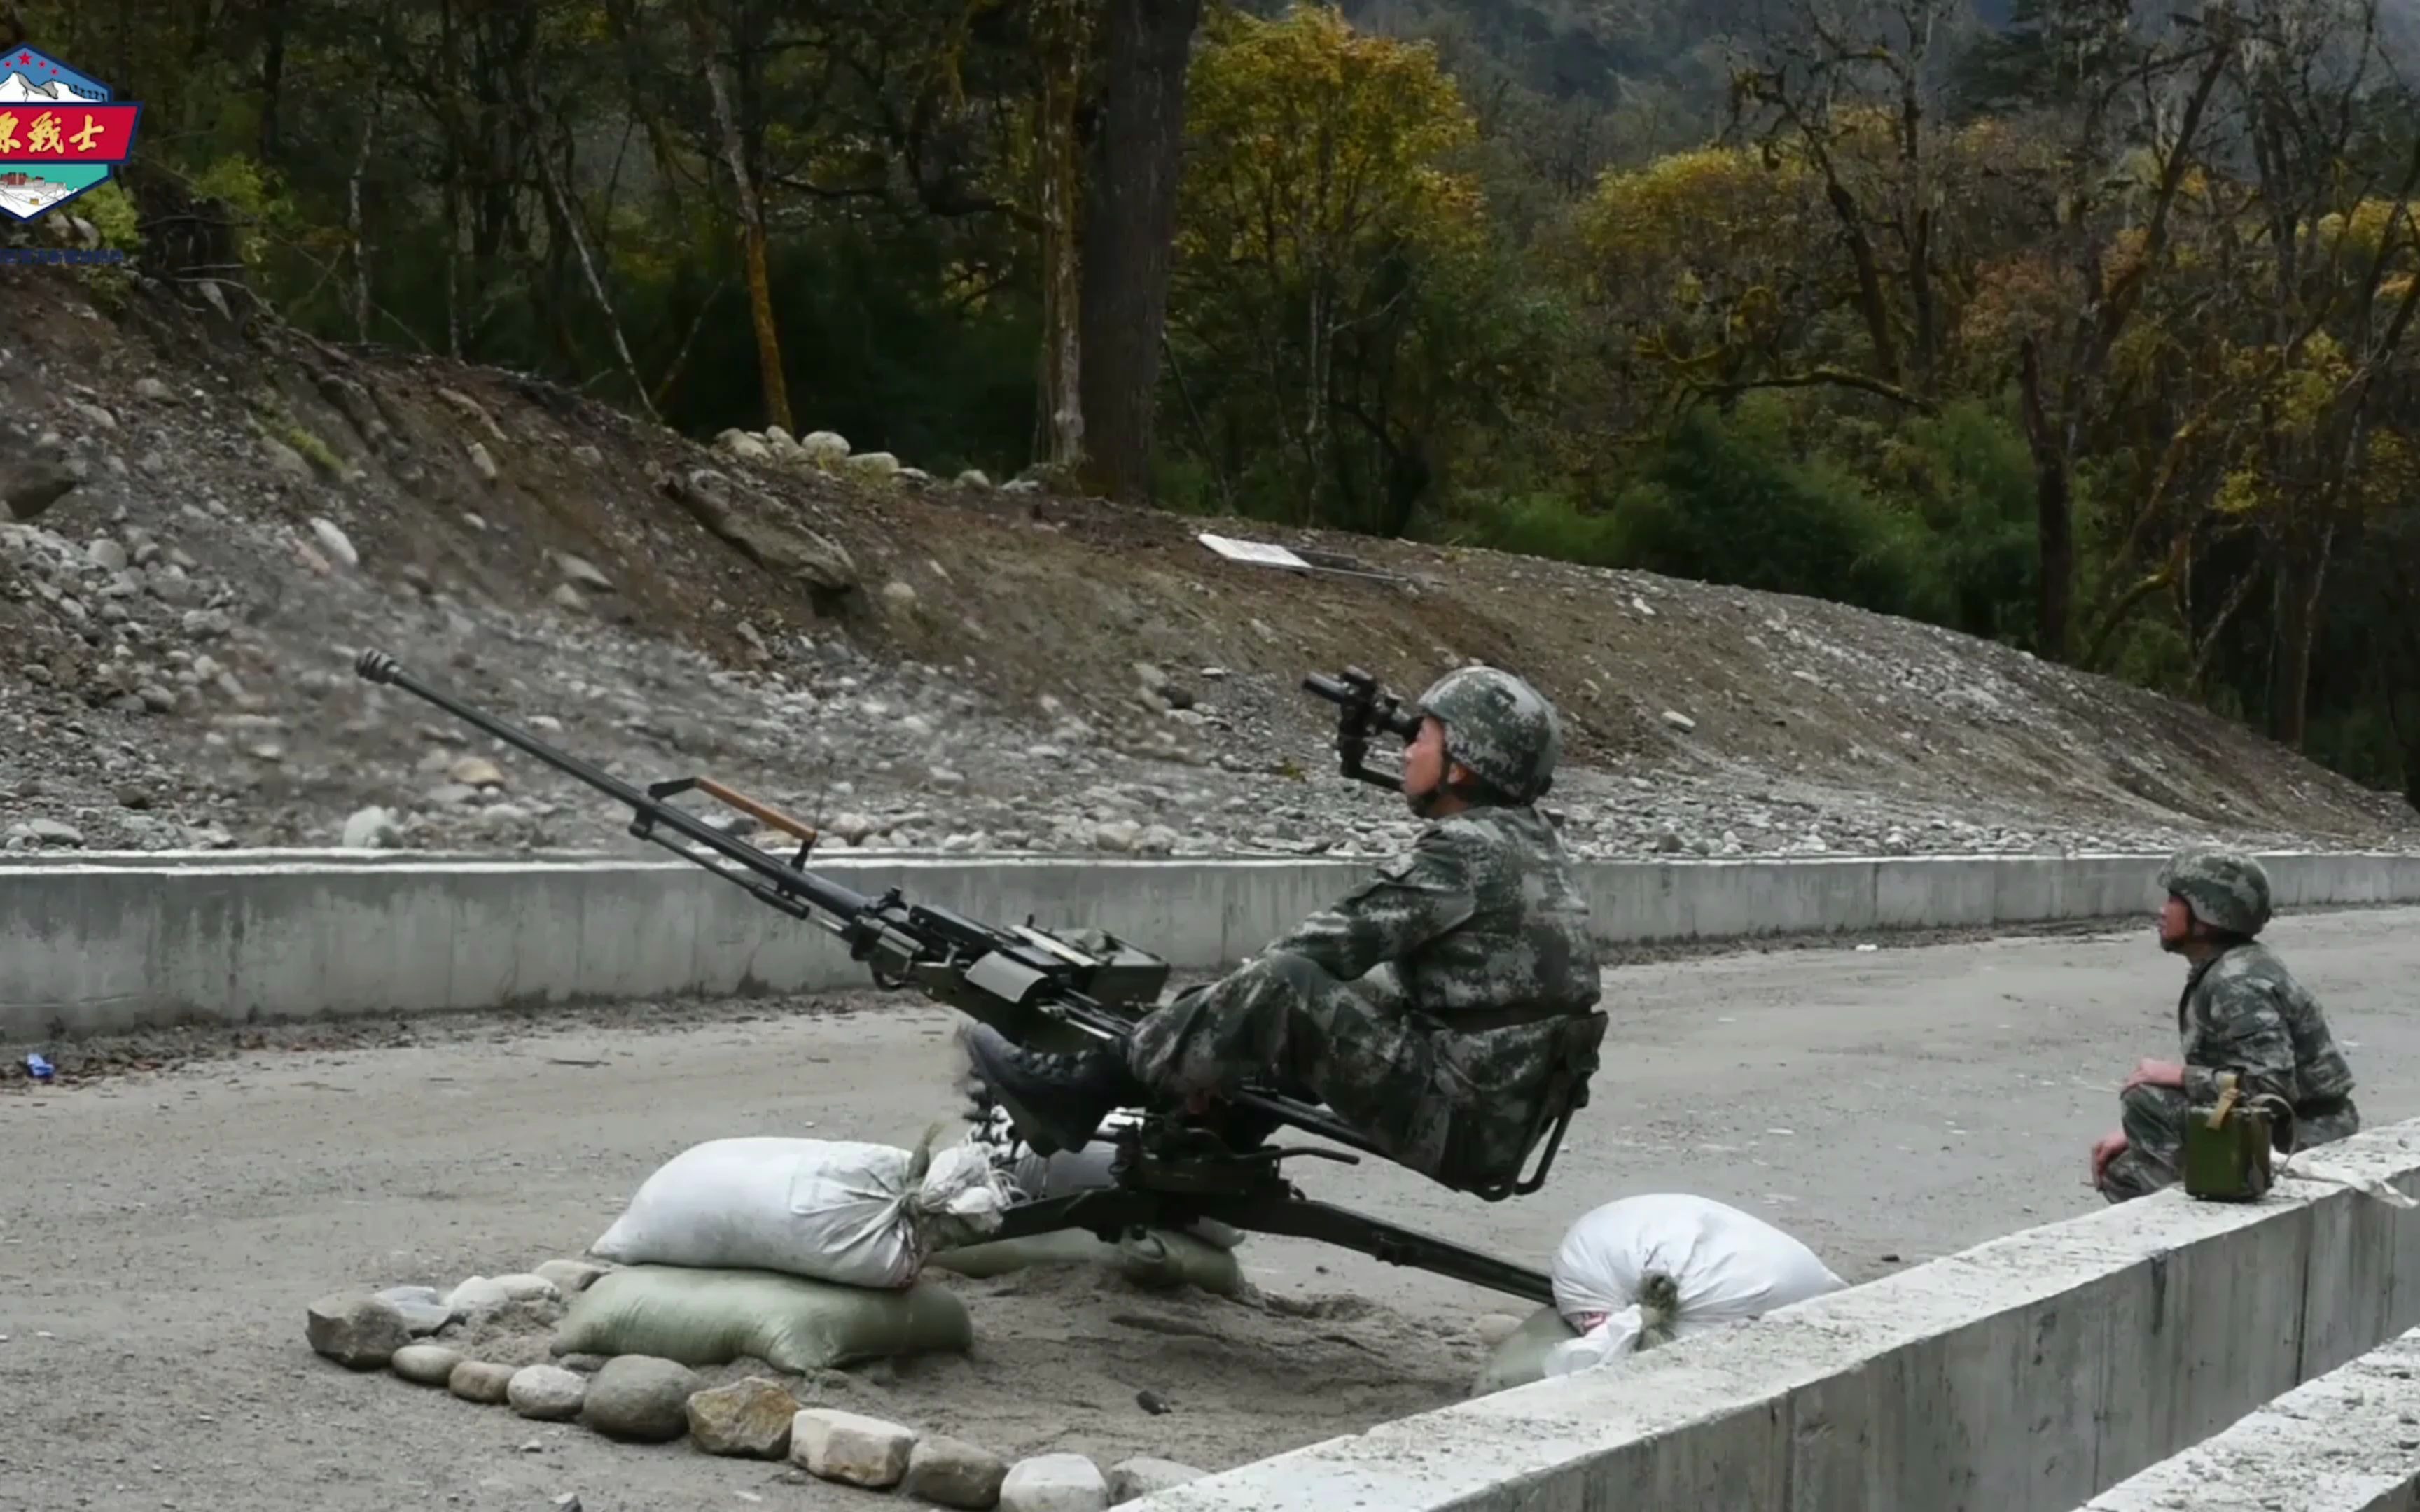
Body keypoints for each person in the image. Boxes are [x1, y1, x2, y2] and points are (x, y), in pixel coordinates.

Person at [964, 664, 1606, 1195]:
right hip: (1495, 1116)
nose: (1408, 749)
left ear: (1462, 765)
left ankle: (1079, 1089)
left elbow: (1318, 948)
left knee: (1286, 986)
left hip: (1460, 1126)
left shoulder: (1469, 854)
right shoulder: (1528, 845)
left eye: (1424, 736)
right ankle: (1219, 1132)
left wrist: (1202, 1023)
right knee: (1353, 997)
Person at [2091, 846, 2360, 1203]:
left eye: (2174, 900)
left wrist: (2181, 1077)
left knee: (2143, 1110)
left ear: (2207, 913)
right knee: (2127, 1158)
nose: (2161, 910)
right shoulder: (2231, 967)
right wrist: (2145, 1134)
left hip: (2305, 1135)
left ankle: (2184, 1221)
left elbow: (2272, 1089)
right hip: (2287, 1127)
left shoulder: (2237, 983)